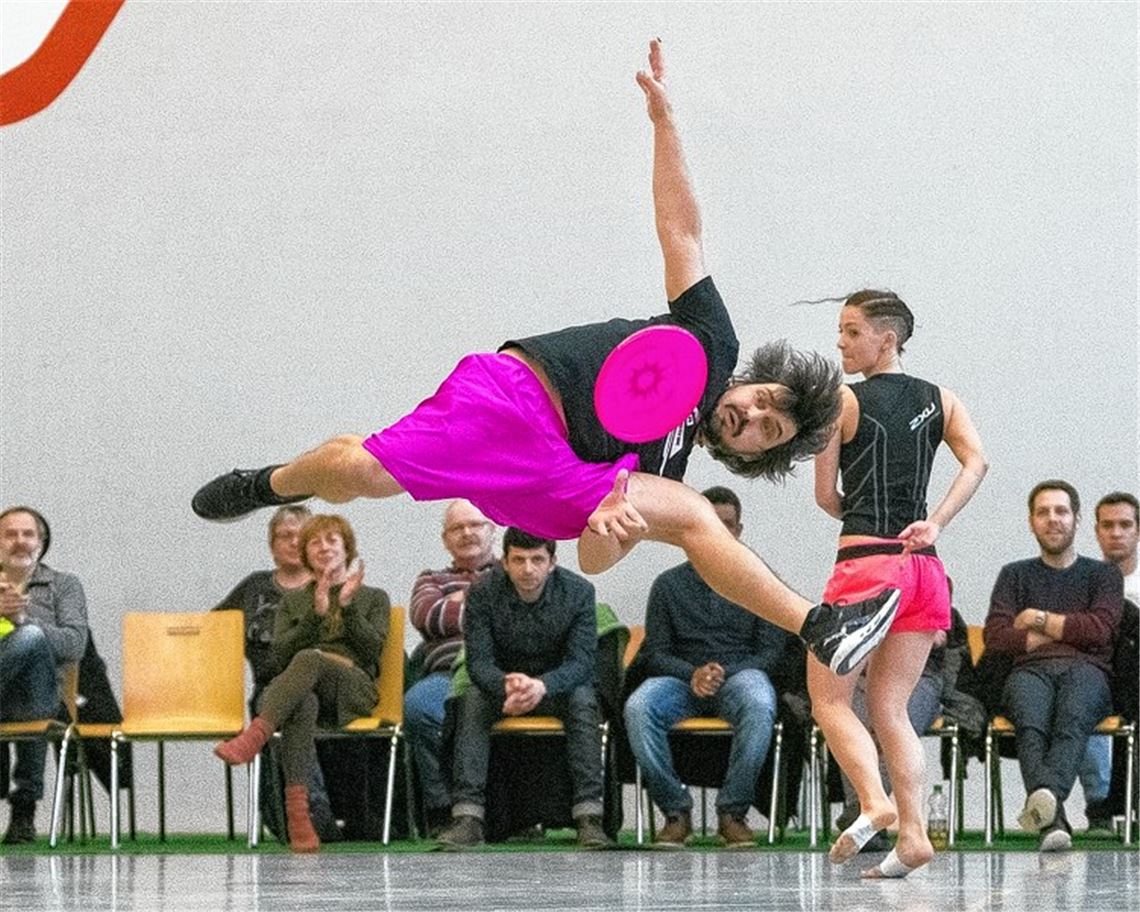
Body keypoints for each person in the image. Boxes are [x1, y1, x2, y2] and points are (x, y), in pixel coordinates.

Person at [190, 39, 899, 678]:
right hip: (515, 397)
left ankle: (820, 625)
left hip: (569, 475)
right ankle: (273, 482)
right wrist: (665, 125)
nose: (752, 415)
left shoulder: (666, 473)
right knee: (358, 472)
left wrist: (607, 532)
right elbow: (681, 229)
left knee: (687, 515)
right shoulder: (710, 343)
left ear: (747, 455)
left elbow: (592, 558)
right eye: (766, 401)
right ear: (754, 380)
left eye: (766, 432)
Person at [809, 291, 987, 878]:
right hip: (926, 570)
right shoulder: (942, 399)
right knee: (891, 707)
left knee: (830, 699)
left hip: (866, 563)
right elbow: (977, 463)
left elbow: (826, 497)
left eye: (851, 331)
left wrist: (866, 522)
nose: (840, 342)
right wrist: (934, 522)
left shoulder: (841, 400)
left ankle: (873, 801)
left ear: (887, 339)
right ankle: (912, 836)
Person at [623, 486, 788, 848]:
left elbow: (773, 651)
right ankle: (675, 812)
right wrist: (693, 675)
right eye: (710, 523)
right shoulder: (668, 586)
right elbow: (655, 653)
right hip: (681, 680)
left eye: (727, 524)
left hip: (740, 678)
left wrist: (724, 674)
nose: (719, 531)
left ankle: (733, 812)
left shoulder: (760, 579)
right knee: (638, 707)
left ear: (739, 530)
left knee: (760, 700)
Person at [214, 514, 389, 853]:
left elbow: (373, 651)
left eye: (331, 540)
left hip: (352, 688)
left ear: (346, 548)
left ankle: (256, 734)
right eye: (315, 542)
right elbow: (279, 657)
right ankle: (299, 819)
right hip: (307, 689)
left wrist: (348, 608)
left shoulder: (373, 597)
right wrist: (315, 615)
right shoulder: (294, 601)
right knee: (302, 703)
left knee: (309, 658)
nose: (324, 548)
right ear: (306, 554)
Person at [436, 528, 607, 850]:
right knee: (470, 700)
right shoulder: (482, 593)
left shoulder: (579, 592)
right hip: (504, 687)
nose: (528, 569)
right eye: (518, 560)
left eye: (537, 560)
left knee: (584, 699)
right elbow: (479, 663)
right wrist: (506, 685)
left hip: (557, 687)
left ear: (552, 562)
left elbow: (582, 663)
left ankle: (589, 817)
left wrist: (543, 686)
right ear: (504, 562)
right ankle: (468, 818)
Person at [984, 480, 1122, 853]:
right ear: (1031, 522)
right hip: (1028, 671)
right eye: (1043, 512)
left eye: (1061, 511)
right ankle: (1054, 818)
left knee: (1072, 721)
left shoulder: (1103, 575)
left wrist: (1037, 618)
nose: (1053, 519)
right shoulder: (1014, 575)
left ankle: (1047, 803)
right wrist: (1069, 628)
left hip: (1088, 671)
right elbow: (997, 637)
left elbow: (1101, 631)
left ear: (1076, 520)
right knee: (1030, 727)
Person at [211, 504, 342, 843]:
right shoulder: (254, 587)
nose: (293, 542)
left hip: (328, 684)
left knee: (299, 688)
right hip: (271, 688)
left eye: (302, 536)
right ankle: (310, 815)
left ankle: (304, 812)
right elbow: (215, 629)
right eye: (285, 536)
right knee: (297, 703)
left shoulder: (331, 585)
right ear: (272, 546)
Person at [405, 499, 496, 834]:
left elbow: (515, 621)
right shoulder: (432, 579)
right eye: (457, 528)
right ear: (445, 539)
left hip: (501, 675)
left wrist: (460, 603)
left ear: (492, 530)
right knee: (417, 707)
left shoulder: (517, 569)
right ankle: (443, 809)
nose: (467, 533)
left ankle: (504, 811)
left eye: (475, 525)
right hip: (446, 676)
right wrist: (484, 608)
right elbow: (427, 616)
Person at [0, 506, 89, 844]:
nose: (20, 542)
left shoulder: (63, 586)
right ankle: (24, 807)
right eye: (10, 535)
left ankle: (23, 809)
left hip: (41, 694)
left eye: (28, 534)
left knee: (32, 639)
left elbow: (76, 645)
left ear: (41, 542)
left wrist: (24, 619)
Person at [1080, 491, 1140, 834]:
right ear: (1097, 531)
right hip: (1101, 679)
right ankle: (1101, 805)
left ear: (1138, 531)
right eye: (1108, 525)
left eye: (1125, 525)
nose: (1116, 533)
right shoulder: (1083, 582)